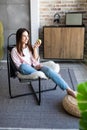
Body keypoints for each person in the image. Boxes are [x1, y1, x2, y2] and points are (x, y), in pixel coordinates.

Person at [11, 28, 77, 98]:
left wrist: (35, 49)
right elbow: (18, 66)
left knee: (48, 70)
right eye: (24, 36)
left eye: (27, 36)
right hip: (26, 69)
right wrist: (33, 67)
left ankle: (69, 90)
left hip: (35, 67)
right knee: (23, 66)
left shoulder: (29, 47)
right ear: (19, 37)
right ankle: (53, 75)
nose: (27, 38)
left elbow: (35, 59)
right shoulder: (14, 51)